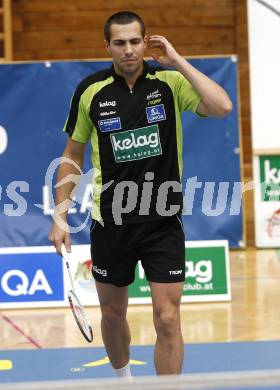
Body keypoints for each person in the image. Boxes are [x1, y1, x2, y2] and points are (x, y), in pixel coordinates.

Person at [49, 11, 232, 377]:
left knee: (167, 317)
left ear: (145, 42)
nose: (128, 50)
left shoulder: (169, 82)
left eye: (135, 41)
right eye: (120, 43)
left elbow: (222, 106)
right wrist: (60, 215)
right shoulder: (91, 91)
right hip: (111, 221)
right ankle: (125, 382)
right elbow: (72, 155)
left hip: (163, 220)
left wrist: (177, 60)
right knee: (113, 316)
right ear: (108, 47)